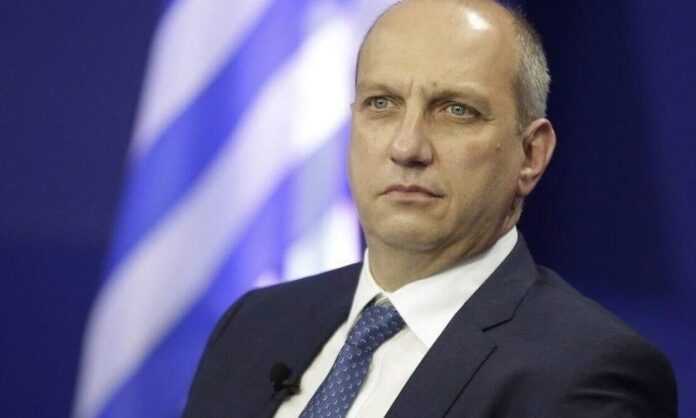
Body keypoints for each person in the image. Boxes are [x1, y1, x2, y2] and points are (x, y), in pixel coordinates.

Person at [183, 0, 677, 417]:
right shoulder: (254, 325)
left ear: (531, 155)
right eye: (381, 103)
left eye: (456, 110)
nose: (407, 147)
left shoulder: (587, 374)